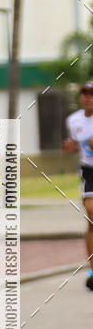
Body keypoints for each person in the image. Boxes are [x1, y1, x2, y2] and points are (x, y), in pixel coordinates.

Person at [63, 80, 93, 291]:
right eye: (84, 94)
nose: (87, 98)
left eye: (91, 94)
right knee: (91, 215)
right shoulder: (73, 120)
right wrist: (71, 147)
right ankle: (92, 269)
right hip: (88, 171)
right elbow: (75, 146)